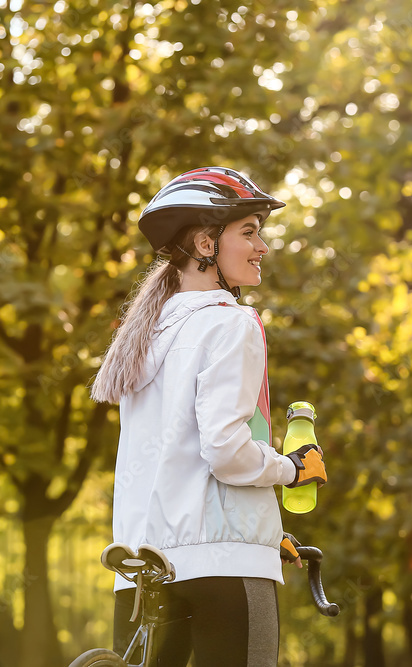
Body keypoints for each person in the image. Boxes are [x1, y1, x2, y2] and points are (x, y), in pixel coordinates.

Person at [90, 166, 327, 666]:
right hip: (225, 567)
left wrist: (261, 523)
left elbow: (173, 463)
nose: (262, 247)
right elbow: (224, 452)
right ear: (204, 243)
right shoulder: (231, 323)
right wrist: (293, 468)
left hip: (142, 567)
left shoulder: (145, 335)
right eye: (248, 232)